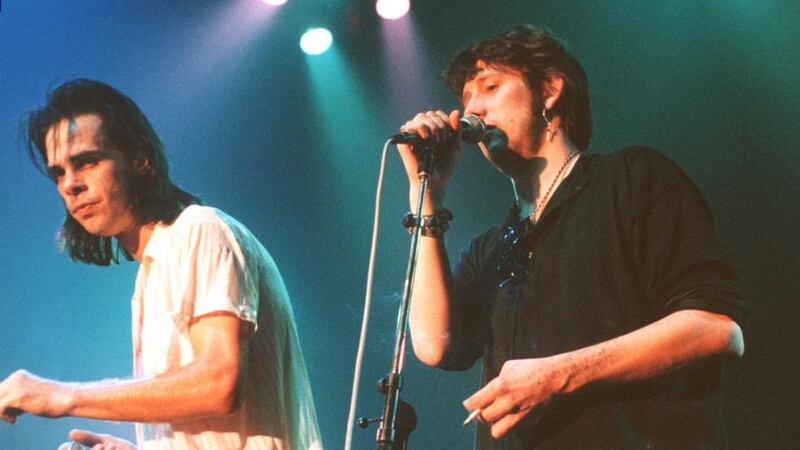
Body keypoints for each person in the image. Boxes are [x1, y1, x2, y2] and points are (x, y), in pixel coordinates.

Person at [398, 26, 745, 449]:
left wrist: (558, 375)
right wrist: (426, 196)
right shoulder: (489, 249)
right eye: (466, 98)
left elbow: (715, 330)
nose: (472, 109)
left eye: (490, 87)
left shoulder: (632, 179)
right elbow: (435, 346)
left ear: (550, 90)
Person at [0, 79, 321, 450]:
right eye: (59, 172)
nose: (70, 184)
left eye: (86, 162)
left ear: (141, 160)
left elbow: (220, 383)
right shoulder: (150, 275)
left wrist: (61, 395)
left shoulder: (201, 229)